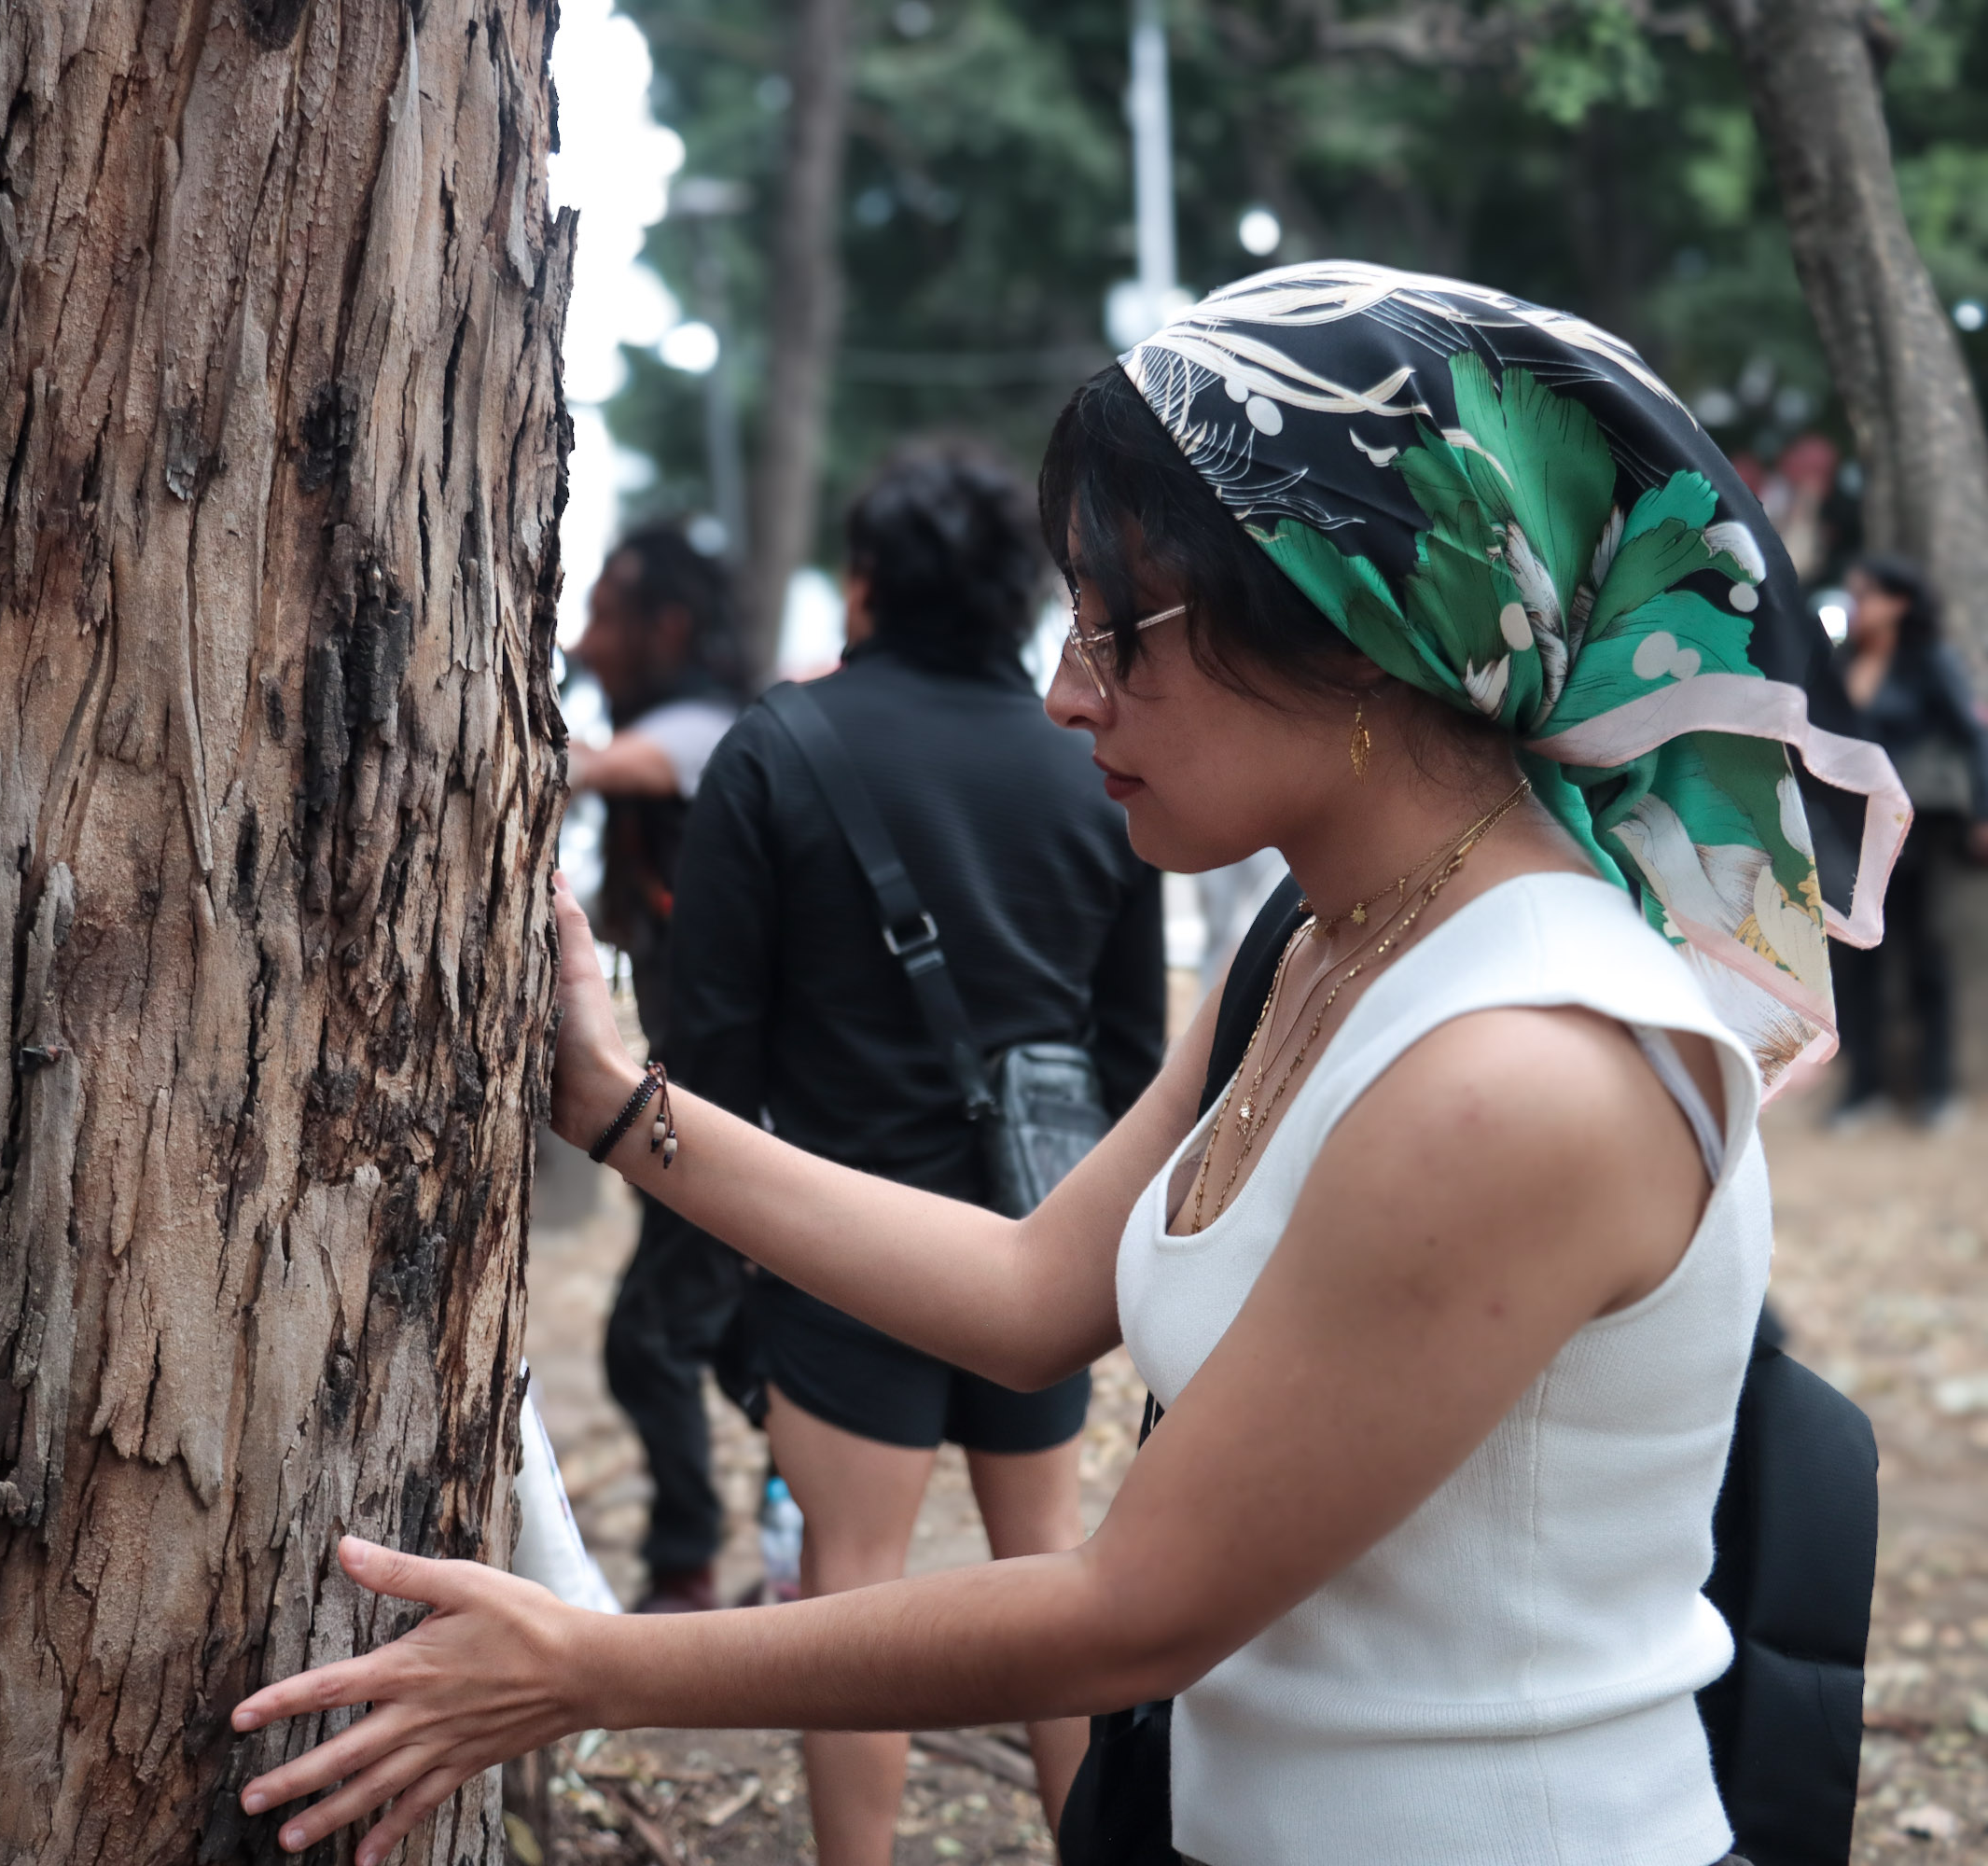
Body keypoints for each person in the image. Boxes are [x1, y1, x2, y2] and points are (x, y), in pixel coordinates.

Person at [230, 264, 1902, 1866]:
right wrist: (614, 1107)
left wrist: (589, 1668)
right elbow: (1035, 1290)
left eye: (1122, 632)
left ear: (1360, 628)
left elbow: (1133, 1611)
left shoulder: (1525, 1066)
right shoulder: (1325, 943)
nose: (1063, 694)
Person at [665, 444, 1161, 1853]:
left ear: (866, 583)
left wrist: (724, 1252)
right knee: (1052, 1582)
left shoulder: (778, 747)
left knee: (854, 1595)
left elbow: (709, 1042)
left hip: (843, 1244)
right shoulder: (1096, 766)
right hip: (1038, 1244)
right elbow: (1134, 1051)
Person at [567, 525, 757, 1611]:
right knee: (735, 1336)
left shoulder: (702, 731)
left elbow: (593, 765)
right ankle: (792, 1541)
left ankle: (690, 1571)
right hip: (698, 1091)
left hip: (733, 1105)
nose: (587, 642)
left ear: (669, 625)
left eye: (606, 616)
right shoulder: (682, 737)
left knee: (655, 1337)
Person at [1825, 553, 1988, 1129]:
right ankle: (1862, 1089)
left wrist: (1983, 814)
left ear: (1899, 602)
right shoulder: (1843, 660)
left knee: (1923, 955)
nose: (1856, 605)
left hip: (1914, 833)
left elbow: (1972, 735)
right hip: (1849, 833)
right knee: (1855, 960)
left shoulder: (1929, 660)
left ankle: (1937, 1089)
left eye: (1866, 594)